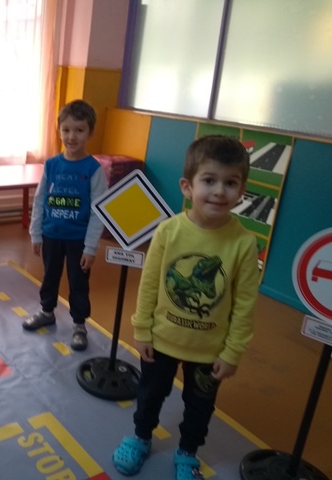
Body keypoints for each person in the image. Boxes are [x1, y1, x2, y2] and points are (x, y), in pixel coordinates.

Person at [112, 135, 259, 480]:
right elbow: (150, 284)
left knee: (200, 406)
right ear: (187, 187)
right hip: (161, 341)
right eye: (209, 180)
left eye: (230, 183)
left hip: (210, 351)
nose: (219, 191)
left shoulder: (243, 243)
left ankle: (187, 453)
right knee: (150, 396)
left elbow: (245, 304)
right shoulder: (168, 232)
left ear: (241, 191)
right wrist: (142, 330)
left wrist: (233, 351)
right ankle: (140, 437)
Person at [23, 99, 108, 351]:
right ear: (59, 130)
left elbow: (99, 211)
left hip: (78, 240)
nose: (72, 136)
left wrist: (90, 247)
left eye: (79, 130)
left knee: (78, 282)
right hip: (51, 235)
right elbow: (40, 200)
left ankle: (79, 325)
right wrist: (36, 233)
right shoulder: (51, 165)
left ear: (90, 133)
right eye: (67, 130)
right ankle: (46, 312)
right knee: (49, 276)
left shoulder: (93, 169)